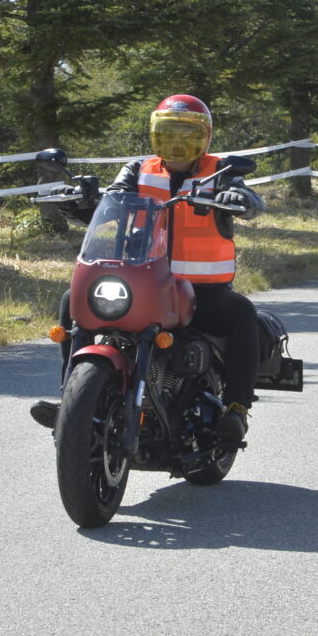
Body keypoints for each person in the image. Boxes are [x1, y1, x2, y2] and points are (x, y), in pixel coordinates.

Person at [30, 94, 265, 447]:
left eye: (187, 134)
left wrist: (240, 200)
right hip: (143, 284)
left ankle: (236, 410)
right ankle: (72, 397)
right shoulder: (139, 169)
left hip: (200, 292)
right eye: (169, 133)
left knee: (243, 313)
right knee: (71, 301)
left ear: (205, 137)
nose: (177, 142)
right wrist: (80, 203)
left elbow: (252, 204)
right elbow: (110, 207)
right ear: (155, 135)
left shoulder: (221, 173)